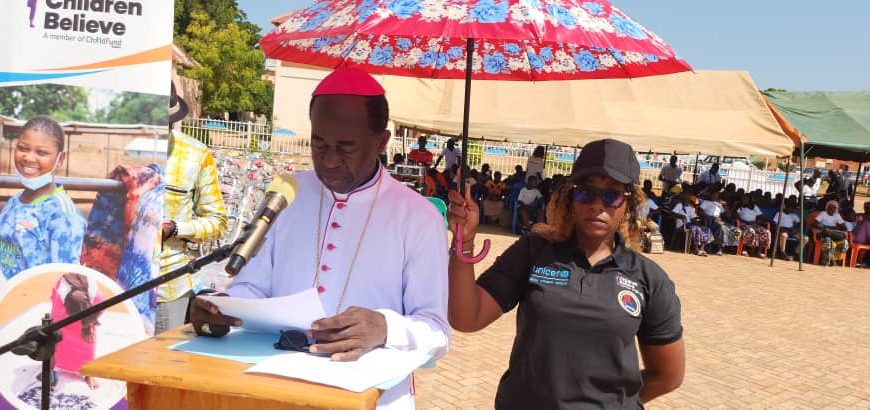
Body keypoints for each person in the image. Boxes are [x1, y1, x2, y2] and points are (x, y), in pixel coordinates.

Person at [188, 67, 450, 409]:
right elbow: (253, 288)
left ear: (380, 142)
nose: (328, 161)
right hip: (278, 388)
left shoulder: (418, 217)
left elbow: (437, 332)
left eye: (345, 148)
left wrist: (385, 327)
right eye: (319, 144)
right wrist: (222, 309)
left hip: (371, 398)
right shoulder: (288, 193)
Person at [446, 138, 684, 408]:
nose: (597, 205)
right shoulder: (533, 251)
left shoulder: (649, 279)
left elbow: (668, 375)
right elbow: (467, 318)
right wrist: (463, 241)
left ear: (628, 204)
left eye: (611, 195)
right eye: (585, 192)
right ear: (571, 198)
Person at [158, 83, 228, 334]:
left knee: (158, 368)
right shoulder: (121, 147)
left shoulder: (196, 154)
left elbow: (217, 221)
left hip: (167, 286)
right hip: (113, 285)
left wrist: (175, 228)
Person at [0, 116, 86, 279]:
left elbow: (65, 281)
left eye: (41, 152)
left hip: (32, 303)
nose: (29, 158)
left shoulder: (62, 214)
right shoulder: (14, 201)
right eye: (23, 148)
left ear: (60, 159)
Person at [51, 273, 104, 390]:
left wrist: (87, 325)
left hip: (88, 314)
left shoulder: (96, 296)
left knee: (88, 341)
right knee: (55, 339)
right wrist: (57, 326)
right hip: (62, 315)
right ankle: (50, 369)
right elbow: (55, 314)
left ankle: (89, 374)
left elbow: (98, 310)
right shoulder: (62, 292)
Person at [813, 200, 849, 266]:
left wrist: (841, 228)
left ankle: (833, 258)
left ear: (836, 209)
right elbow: (815, 223)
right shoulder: (823, 213)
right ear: (827, 207)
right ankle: (826, 260)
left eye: (834, 208)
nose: (832, 209)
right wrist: (824, 227)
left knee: (845, 243)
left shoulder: (837, 215)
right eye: (830, 207)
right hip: (822, 233)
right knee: (827, 240)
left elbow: (845, 227)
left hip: (833, 234)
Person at [698, 190, 726, 256]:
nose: (715, 197)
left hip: (718, 220)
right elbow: (700, 212)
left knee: (725, 228)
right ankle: (718, 248)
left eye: (717, 195)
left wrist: (720, 218)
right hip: (709, 220)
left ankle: (720, 248)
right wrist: (711, 217)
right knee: (719, 227)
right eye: (714, 195)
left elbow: (723, 214)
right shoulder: (706, 202)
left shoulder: (719, 204)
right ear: (710, 195)